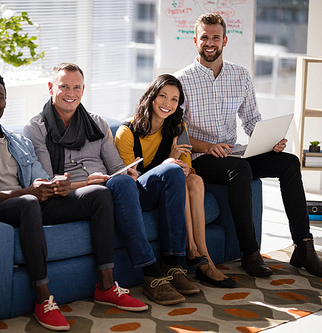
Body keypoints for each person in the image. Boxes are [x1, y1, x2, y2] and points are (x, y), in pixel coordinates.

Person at [0, 71, 147, 332]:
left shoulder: (19, 142)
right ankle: (43, 299)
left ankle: (106, 286)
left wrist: (54, 185)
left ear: (6, 101)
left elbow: (39, 179)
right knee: (30, 201)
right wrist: (29, 192)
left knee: (99, 194)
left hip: (31, 203)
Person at [174, 13, 322, 278]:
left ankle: (304, 247)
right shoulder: (181, 80)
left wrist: (269, 141)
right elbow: (176, 134)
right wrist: (207, 147)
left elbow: (251, 119)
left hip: (234, 152)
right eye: (205, 37)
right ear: (195, 41)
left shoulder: (240, 75)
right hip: (202, 158)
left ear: (225, 40)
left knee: (289, 162)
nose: (210, 42)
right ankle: (250, 253)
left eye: (216, 37)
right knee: (240, 170)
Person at [23, 63, 199, 306]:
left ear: (83, 90)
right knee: (120, 186)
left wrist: (131, 173)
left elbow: (117, 167)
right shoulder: (35, 129)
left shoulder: (98, 123)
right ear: (51, 87)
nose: (70, 93)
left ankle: (173, 265)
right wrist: (86, 182)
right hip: (75, 195)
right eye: (63, 86)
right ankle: (151, 273)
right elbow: (47, 183)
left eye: (76, 87)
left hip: (112, 187)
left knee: (169, 171)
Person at [115, 74, 237, 288]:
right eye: (162, 96)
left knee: (196, 180)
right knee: (173, 171)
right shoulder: (127, 132)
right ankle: (190, 249)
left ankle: (203, 258)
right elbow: (129, 183)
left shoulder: (178, 127)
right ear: (151, 97)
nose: (168, 104)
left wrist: (184, 165)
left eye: (174, 99)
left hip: (171, 187)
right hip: (140, 194)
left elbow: (187, 170)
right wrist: (168, 159)